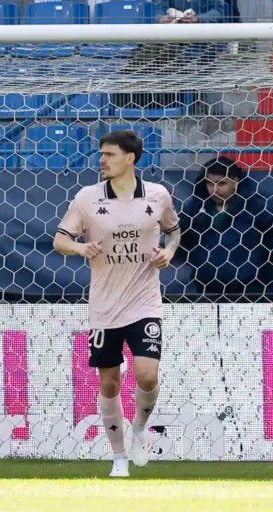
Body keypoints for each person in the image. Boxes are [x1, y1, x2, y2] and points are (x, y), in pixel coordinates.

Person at [53, 130, 181, 477]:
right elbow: (60, 239)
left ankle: (140, 427)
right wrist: (81, 248)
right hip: (104, 307)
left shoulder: (157, 195)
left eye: (109, 154)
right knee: (109, 382)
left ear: (130, 159)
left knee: (147, 374)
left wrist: (168, 252)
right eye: (101, 154)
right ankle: (119, 457)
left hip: (144, 301)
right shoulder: (87, 198)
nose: (102, 160)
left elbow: (173, 230)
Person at [177, 156, 273, 298]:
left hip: (251, 290)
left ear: (235, 182)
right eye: (209, 184)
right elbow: (179, 238)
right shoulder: (196, 208)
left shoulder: (257, 208)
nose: (215, 190)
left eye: (221, 183)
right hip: (206, 288)